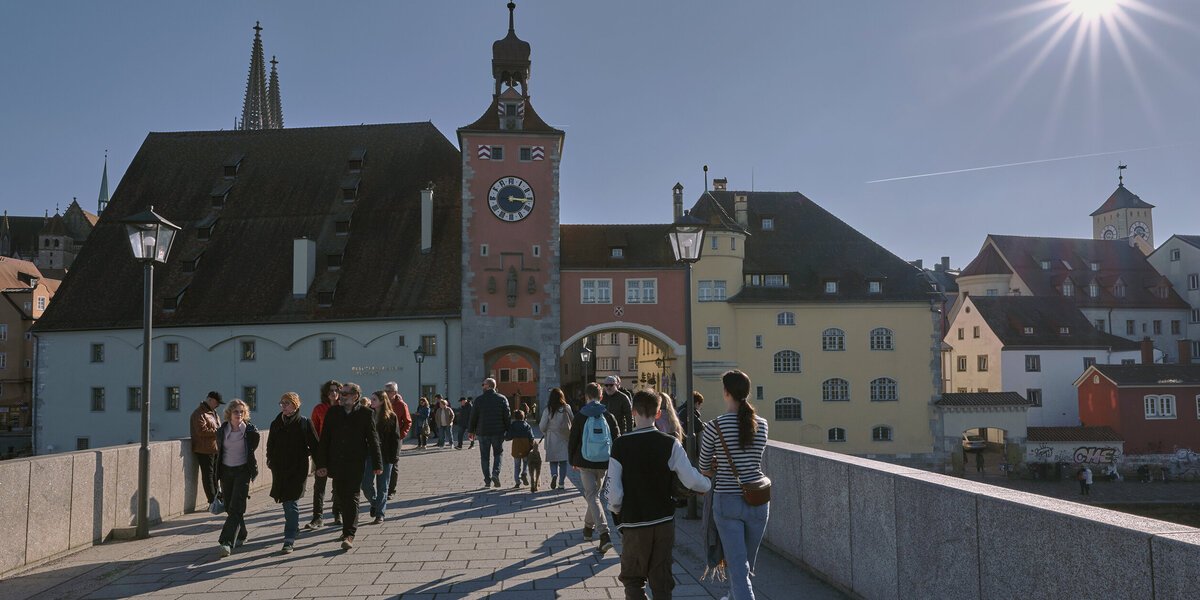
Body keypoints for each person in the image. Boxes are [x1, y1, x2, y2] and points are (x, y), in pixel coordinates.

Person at [608, 389, 712, 600]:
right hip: (663, 520)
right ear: (658, 413)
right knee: (661, 578)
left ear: (633, 411)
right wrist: (706, 484)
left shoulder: (620, 445)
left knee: (633, 578)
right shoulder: (670, 443)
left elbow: (613, 490)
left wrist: (615, 508)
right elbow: (690, 478)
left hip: (634, 520)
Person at [699, 370, 769, 600]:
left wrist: (717, 467)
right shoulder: (762, 424)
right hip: (758, 499)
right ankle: (733, 595)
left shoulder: (714, 426)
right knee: (744, 563)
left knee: (738, 566)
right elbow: (751, 459)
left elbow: (704, 467)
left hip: (727, 501)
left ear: (726, 392)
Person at [314, 382, 382, 550]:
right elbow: (325, 440)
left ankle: (349, 534)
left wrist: (377, 463)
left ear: (355, 397)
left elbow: (373, 440)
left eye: (344, 394)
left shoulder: (366, 413)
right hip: (336, 463)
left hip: (355, 463)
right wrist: (321, 464)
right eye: (340, 393)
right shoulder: (333, 412)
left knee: (352, 497)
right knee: (341, 497)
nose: (341, 396)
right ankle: (346, 528)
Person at [568, 381, 620, 554]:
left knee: (592, 496)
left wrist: (572, 460)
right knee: (594, 496)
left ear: (586, 397)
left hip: (585, 462)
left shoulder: (580, 415)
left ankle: (604, 535)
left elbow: (573, 440)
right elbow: (617, 438)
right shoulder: (608, 415)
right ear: (601, 397)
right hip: (604, 462)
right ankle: (587, 529)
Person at [266, 392, 318, 554]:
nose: (283, 406)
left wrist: (321, 466)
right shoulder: (276, 423)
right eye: (282, 403)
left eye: (287, 403)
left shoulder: (304, 423)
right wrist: (270, 460)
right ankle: (294, 527)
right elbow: (270, 444)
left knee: (291, 502)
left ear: (295, 405)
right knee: (285, 502)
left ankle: (289, 539)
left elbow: (315, 445)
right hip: (280, 470)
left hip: (297, 470)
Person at [215, 399, 260, 557]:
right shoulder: (222, 431)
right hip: (226, 472)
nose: (239, 414)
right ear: (229, 413)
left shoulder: (250, 431)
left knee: (236, 506)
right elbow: (219, 452)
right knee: (230, 507)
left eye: (242, 412)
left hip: (242, 471)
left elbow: (252, 449)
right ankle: (242, 534)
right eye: (236, 412)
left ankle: (226, 542)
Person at [306, 380, 340, 530]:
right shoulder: (319, 409)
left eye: (336, 390)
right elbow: (313, 431)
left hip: (338, 452)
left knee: (338, 485)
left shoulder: (343, 408)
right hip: (322, 452)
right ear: (326, 393)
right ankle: (317, 518)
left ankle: (337, 513)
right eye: (331, 390)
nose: (334, 393)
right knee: (319, 486)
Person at [362, 391, 400, 524]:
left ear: (382, 401)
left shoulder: (391, 416)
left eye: (374, 399)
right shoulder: (368, 415)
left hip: (385, 454)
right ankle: (374, 503)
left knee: (382, 486)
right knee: (365, 484)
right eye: (371, 399)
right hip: (370, 453)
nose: (371, 401)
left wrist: (394, 457)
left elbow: (395, 438)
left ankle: (380, 514)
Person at [468, 378, 511, 488]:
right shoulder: (502, 398)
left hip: (483, 432)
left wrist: (471, 431)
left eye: (483, 384)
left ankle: (487, 480)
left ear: (488, 386)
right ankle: (495, 473)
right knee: (498, 454)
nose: (482, 386)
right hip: (498, 432)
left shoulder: (479, 400)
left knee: (484, 457)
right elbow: (507, 416)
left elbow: (473, 417)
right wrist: (508, 430)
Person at [190, 391, 223, 506]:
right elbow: (201, 431)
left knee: (215, 475)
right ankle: (212, 501)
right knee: (208, 475)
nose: (218, 405)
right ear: (210, 400)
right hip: (204, 449)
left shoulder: (213, 413)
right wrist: (218, 432)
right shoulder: (199, 413)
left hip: (214, 448)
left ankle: (217, 497)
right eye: (217, 402)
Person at [539, 388, 573, 490]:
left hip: (551, 437)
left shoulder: (548, 409)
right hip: (564, 437)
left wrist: (545, 432)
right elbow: (573, 419)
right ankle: (561, 483)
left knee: (553, 460)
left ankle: (554, 474)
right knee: (563, 462)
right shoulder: (566, 407)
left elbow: (542, 426)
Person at [384, 382, 412, 499]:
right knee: (383, 463)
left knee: (393, 463)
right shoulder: (382, 402)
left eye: (389, 391)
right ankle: (383, 489)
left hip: (396, 438)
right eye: (385, 391)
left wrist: (400, 435)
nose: (386, 393)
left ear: (395, 392)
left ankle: (391, 490)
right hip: (383, 437)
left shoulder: (401, 405)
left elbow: (408, 422)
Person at [507, 409, 535, 487]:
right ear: (523, 417)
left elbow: (509, 437)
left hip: (516, 448)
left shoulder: (512, 425)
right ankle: (524, 473)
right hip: (526, 448)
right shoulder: (527, 425)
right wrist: (533, 445)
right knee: (526, 462)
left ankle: (517, 481)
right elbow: (531, 437)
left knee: (517, 465)